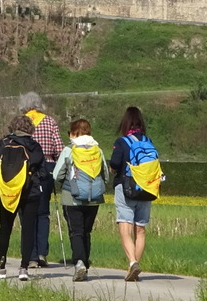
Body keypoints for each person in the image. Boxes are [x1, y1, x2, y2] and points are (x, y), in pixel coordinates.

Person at [0, 115, 46, 281]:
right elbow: (43, 172)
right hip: (30, 192)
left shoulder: (3, 143)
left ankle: (1, 266)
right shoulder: (34, 146)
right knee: (28, 229)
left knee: (5, 228)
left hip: (7, 193)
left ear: (12, 127)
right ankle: (24, 268)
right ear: (30, 128)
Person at [49, 118, 108, 281]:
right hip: (94, 199)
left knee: (76, 231)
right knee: (86, 232)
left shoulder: (69, 150)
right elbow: (106, 175)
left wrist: (68, 183)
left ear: (73, 133)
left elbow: (57, 175)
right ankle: (85, 265)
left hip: (71, 198)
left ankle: (79, 262)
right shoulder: (98, 150)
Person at [109, 106, 159, 282]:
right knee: (141, 229)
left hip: (126, 188)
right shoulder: (148, 141)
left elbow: (115, 163)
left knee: (125, 228)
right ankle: (133, 268)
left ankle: (132, 263)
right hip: (146, 189)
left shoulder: (122, 142)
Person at [19, 92, 63, 267]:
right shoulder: (50, 121)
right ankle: (42, 253)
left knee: (26, 212)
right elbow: (59, 148)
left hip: (25, 169)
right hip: (47, 167)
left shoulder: (21, 122)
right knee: (43, 212)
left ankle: (31, 255)